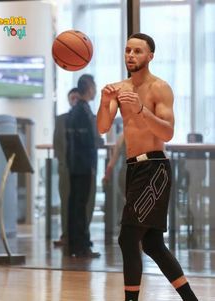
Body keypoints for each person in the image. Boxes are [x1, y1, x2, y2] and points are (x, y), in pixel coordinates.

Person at [97, 33, 198, 301]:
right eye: (128, 50)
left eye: (137, 51)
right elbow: (103, 127)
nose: (131, 55)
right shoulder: (120, 89)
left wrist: (142, 110)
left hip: (155, 167)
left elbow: (168, 133)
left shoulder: (159, 88)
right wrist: (103, 101)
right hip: (132, 169)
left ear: (150, 56)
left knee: (127, 238)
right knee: (152, 243)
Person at [66, 74, 102, 258]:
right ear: (88, 87)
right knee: (80, 206)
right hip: (82, 166)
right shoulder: (82, 111)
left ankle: (77, 244)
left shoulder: (76, 110)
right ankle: (80, 246)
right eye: (94, 86)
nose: (95, 90)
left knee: (77, 206)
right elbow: (86, 140)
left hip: (76, 165)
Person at [53, 88, 80, 246]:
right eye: (72, 97)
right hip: (66, 169)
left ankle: (81, 237)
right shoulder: (61, 119)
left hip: (83, 168)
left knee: (84, 205)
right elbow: (57, 143)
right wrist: (62, 163)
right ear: (69, 99)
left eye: (77, 97)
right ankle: (65, 235)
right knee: (65, 203)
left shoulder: (90, 117)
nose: (75, 100)